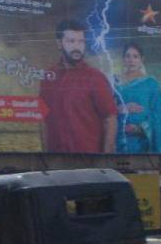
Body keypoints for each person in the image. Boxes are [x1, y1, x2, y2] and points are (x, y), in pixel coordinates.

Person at [39, 19, 118, 153]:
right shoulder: (49, 77)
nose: (77, 47)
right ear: (59, 43)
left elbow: (110, 119)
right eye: (71, 41)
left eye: (81, 41)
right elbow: (43, 119)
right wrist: (46, 156)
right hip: (55, 162)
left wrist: (105, 160)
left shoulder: (95, 78)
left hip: (88, 163)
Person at [115, 42, 161, 153]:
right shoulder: (115, 82)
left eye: (135, 56)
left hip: (142, 145)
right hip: (117, 141)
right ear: (123, 59)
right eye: (128, 56)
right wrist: (123, 108)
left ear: (141, 59)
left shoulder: (151, 83)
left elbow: (159, 115)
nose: (131, 60)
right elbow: (103, 109)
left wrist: (140, 128)